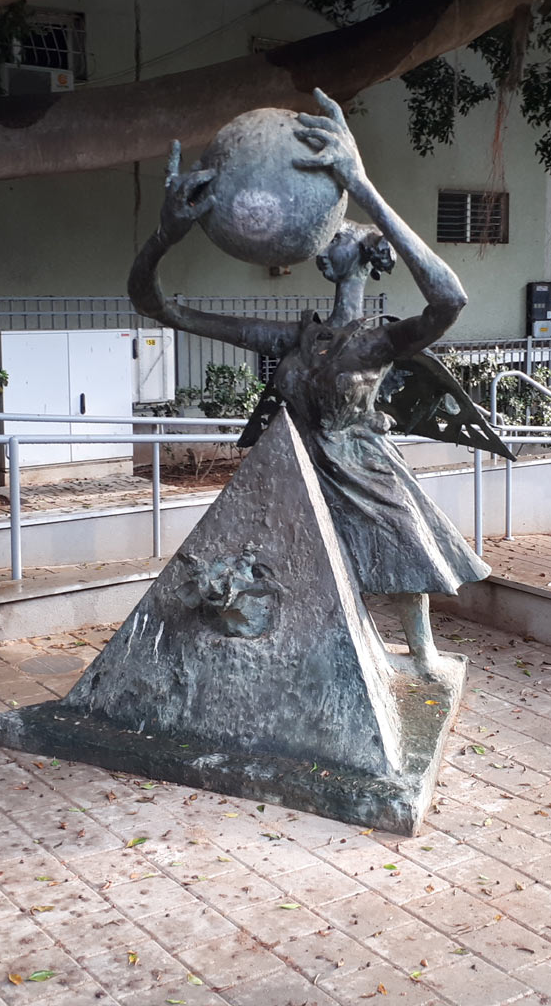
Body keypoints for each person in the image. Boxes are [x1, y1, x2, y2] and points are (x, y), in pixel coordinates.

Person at [128, 90, 489, 677]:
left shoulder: (379, 342)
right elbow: (159, 308)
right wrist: (165, 236)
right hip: (293, 478)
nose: (330, 237)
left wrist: (363, 185)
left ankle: (420, 653)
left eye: (344, 232)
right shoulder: (291, 339)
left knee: (402, 551)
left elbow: (450, 298)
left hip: (361, 471)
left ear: (367, 257)